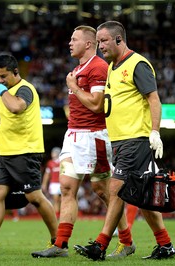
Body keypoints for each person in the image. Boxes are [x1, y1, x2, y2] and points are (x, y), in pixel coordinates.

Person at [73, 21, 175, 261]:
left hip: (135, 139)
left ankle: (100, 244)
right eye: (98, 42)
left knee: (116, 189)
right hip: (119, 141)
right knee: (140, 197)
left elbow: (154, 99)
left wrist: (155, 131)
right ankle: (165, 245)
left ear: (119, 39)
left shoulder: (137, 64)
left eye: (104, 41)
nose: (100, 47)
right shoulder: (112, 67)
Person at [31, 25, 128, 259]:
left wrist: (73, 87)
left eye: (74, 39)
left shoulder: (98, 67)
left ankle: (126, 241)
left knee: (103, 191)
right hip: (73, 136)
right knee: (66, 187)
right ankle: (61, 244)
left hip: (94, 137)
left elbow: (96, 104)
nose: (69, 43)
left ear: (88, 43)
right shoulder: (78, 68)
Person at [0, 54, 58, 253]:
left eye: (3, 76)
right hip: (5, 153)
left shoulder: (24, 89)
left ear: (16, 72)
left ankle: (59, 242)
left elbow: (16, 107)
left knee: (34, 197)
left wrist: (3, 91)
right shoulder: (7, 91)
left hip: (25, 152)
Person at [41, 147, 62, 216]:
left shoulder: (62, 162)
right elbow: (47, 174)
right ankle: (57, 215)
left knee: (62, 200)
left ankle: (63, 214)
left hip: (62, 183)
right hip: (54, 184)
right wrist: (44, 184)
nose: (52, 154)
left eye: (54, 153)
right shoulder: (50, 163)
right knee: (56, 200)